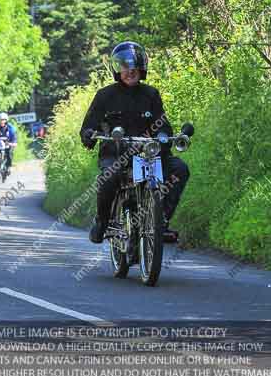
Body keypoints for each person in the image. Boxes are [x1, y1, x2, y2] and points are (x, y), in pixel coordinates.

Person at [80, 41, 190, 244]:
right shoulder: (105, 96)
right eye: (124, 67)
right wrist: (89, 134)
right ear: (117, 70)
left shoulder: (151, 94)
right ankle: (103, 221)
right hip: (116, 154)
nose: (130, 71)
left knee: (180, 169)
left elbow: (163, 126)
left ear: (142, 68)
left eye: (134, 67)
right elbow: (89, 124)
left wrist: (165, 139)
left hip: (149, 154)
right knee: (109, 176)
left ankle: (160, 222)